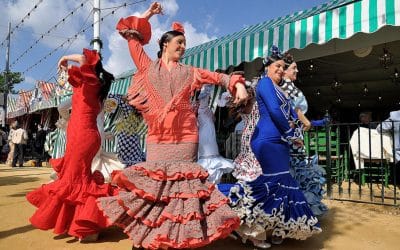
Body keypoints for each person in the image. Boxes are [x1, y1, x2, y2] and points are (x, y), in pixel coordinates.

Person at [96, 2, 247, 249]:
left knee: (181, 191)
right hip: (157, 137)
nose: (183, 48)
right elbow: (131, 37)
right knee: (156, 188)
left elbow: (218, 77)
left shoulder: (190, 72)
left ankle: (178, 239)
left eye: (185, 44)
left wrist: (237, 84)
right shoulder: (146, 67)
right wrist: (149, 14)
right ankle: (151, 237)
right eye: (179, 43)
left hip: (187, 136)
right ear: (165, 44)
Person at [219, 46, 321, 248]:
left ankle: (269, 229)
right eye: (278, 66)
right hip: (267, 141)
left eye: (283, 67)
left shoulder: (279, 89)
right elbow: (274, 111)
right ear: (267, 67)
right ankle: (234, 211)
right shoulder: (265, 83)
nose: (281, 70)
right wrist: (291, 133)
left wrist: (301, 128)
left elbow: (291, 112)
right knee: (273, 185)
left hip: (279, 142)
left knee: (277, 186)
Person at [26, 49, 115, 241]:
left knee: (76, 181)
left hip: (82, 136)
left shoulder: (89, 83)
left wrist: (65, 58)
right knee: (77, 179)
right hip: (83, 136)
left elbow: (83, 58)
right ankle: (80, 224)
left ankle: (88, 227)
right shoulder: (93, 86)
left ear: (89, 68)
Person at [281, 53, 328, 218]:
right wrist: (307, 123)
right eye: (294, 68)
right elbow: (296, 110)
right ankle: (297, 216)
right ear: (284, 70)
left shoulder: (279, 85)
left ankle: (288, 216)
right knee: (298, 174)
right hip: (293, 137)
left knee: (288, 174)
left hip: (287, 135)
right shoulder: (288, 86)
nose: (297, 70)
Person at [197, 85, 234, 184]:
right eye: (207, 98)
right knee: (209, 159)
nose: (209, 99)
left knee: (213, 159)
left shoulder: (207, 109)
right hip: (205, 136)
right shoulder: (201, 108)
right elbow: (204, 94)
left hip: (209, 134)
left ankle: (213, 184)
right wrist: (210, 81)